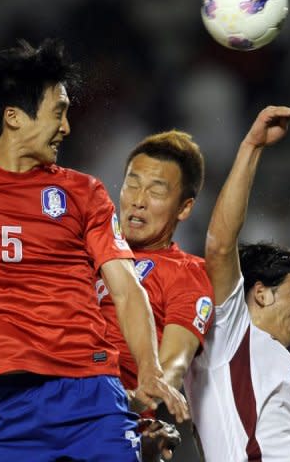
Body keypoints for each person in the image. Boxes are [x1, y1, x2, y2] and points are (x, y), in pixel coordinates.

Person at [0, 38, 188, 462]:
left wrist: (148, 368)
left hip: (91, 393)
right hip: (8, 406)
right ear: (14, 117)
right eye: (58, 111)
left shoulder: (83, 193)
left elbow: (127, 288)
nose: (67, 126)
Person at [184, 106, 290, 461]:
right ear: (260, 293)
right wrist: (252, 146)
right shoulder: (227, 334)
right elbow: (220, 245)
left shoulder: (285, 368)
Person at [98, 131, 214, 457]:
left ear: (184, 208)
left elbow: (173, 365)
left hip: (114, 425)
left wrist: (133, 400)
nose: (138, 199)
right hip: (48, 413)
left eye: (156, 191)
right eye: (132, 184)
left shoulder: (186, 274)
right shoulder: (88, 254)